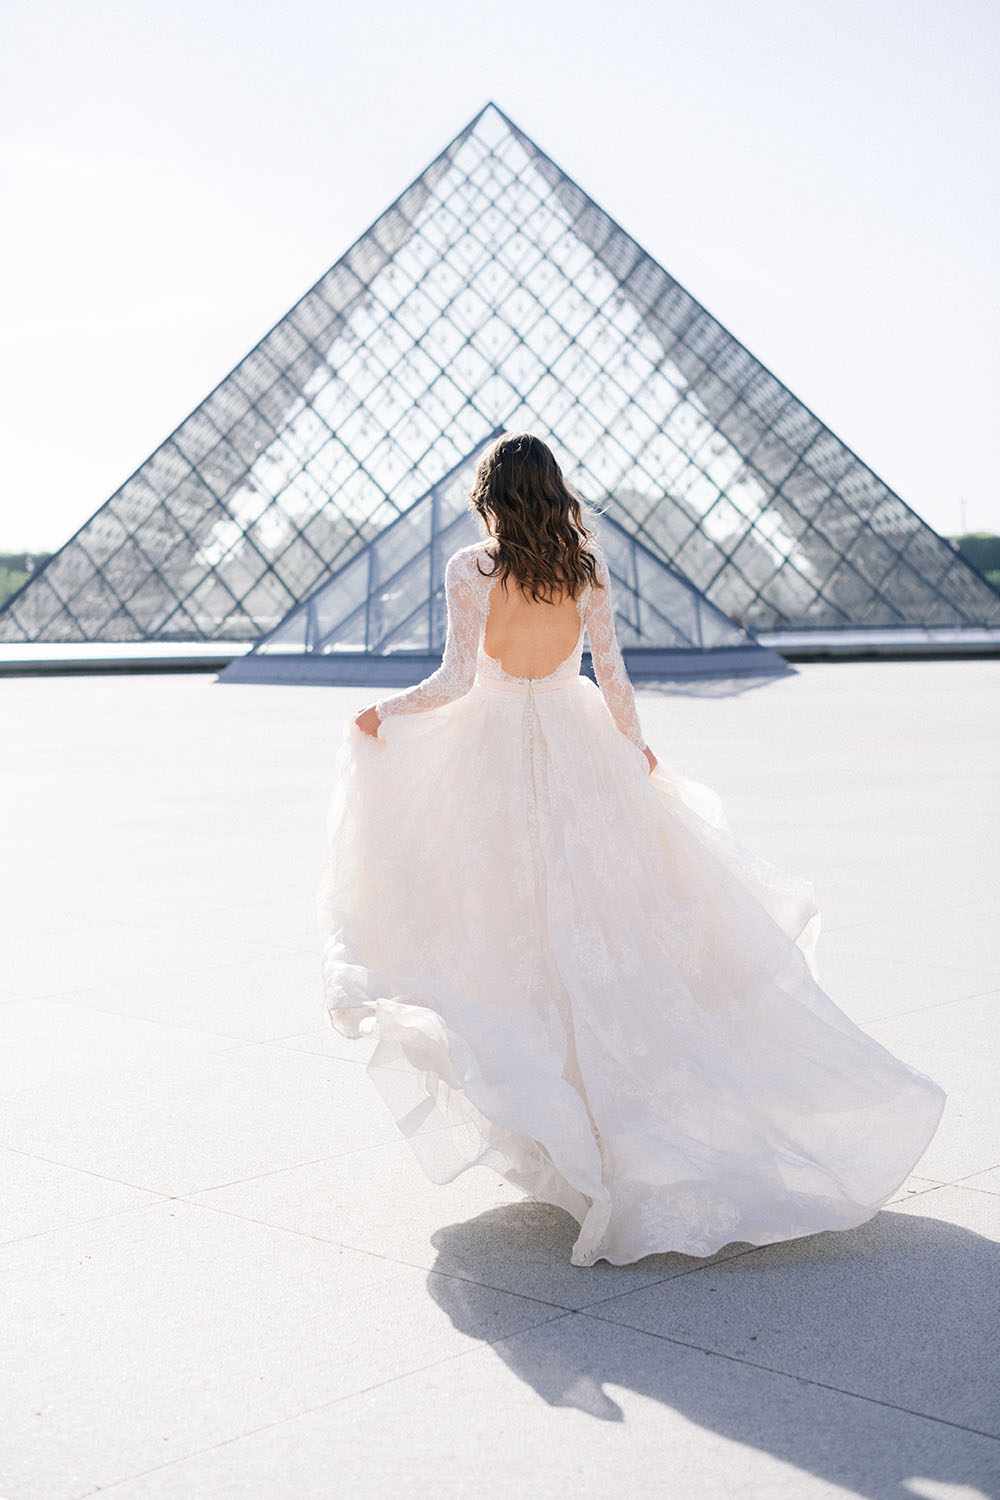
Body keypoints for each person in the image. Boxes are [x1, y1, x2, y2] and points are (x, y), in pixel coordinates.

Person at [318, 431, 945, 1268]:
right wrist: (635, 758)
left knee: (509, 931)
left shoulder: (472, 569)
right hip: (580, 749)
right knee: (606, 926)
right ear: (554, 489)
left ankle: (556, 1114)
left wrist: (384, 712)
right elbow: (613, 679)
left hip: (496, 752)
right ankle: (613, 1113)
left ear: (491, 495)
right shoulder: (587, 567)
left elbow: (457, 681)